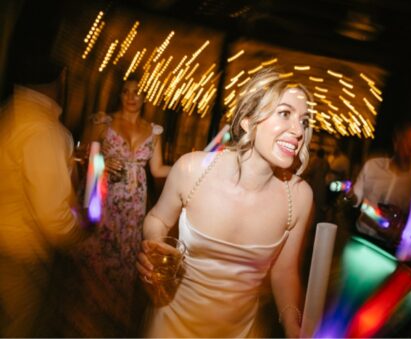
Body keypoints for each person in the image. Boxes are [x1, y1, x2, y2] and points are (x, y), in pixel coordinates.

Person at [136, 68, 313, 337]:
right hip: (170, 324)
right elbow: (157, 219)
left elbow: (285, 272)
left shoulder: (299, 197)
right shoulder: (192, 170)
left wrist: (292, 324)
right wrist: (155, 244)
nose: (298, 130)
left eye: (304, 121)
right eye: (285, 113)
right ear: (248, 120)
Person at [62, 76, 173, 336]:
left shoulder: (154, 131)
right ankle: (84, 323)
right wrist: (101, 160)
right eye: (126, 92)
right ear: (120, 95)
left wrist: (196, 164)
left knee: (123, 265)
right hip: (104, 203)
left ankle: (110, 326)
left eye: (138, 92)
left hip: (133, 211)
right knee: (96, 261)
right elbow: (79, 156)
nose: (132, 97)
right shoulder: (103, 121)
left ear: (146, 97)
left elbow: (157, 170)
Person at [0, 19, 84, 338]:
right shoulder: (46, 131)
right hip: (20, 251)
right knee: (21, 327)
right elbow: (52, 217)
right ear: (61, 77)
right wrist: (79, 232)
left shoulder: (9, 112)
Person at [348, 123, 411, 247]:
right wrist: (349, 195)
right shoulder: (373, 165)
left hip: (389, 247)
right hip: (361, 237)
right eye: (408, 145)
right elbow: (356, 199)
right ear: (396, 142)